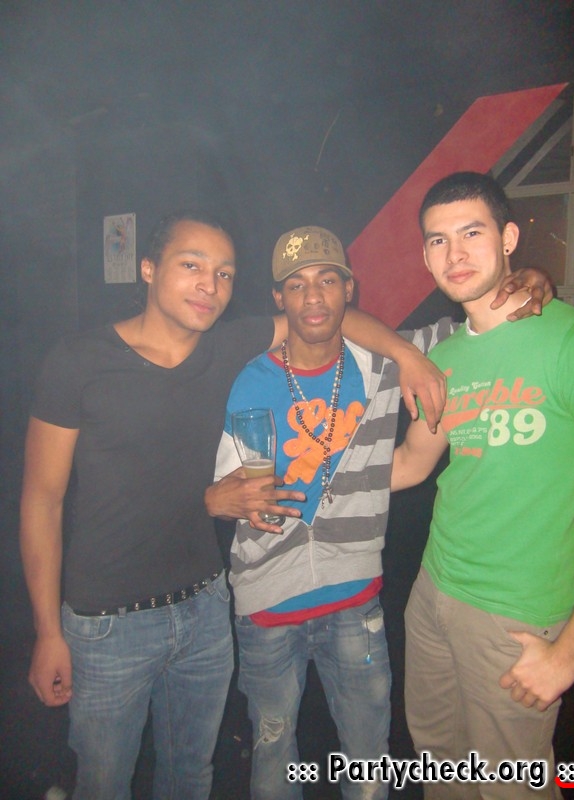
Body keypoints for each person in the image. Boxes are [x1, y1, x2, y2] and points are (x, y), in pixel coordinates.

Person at [18, 209, 455, 800]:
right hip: (108, 622)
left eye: (224, 273)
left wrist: (407, 353)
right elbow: (42, 502)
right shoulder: (81, 361)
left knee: (191, 776)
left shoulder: (225, 347)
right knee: (104, 783)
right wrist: (48, 630)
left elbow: (327, 315)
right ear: (148, 269)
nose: (210, 284)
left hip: (204, 608)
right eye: (191, 265)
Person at [209, 226, 552, 800]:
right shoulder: (252, 379)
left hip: (354, 601)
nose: (313, 296)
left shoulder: (383, 364)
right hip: (267, 605)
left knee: (369, 761)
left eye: (327, 280)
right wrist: (224, 499)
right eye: (296, 284)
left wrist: (530, 280)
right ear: (278, 298)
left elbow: (480, 323)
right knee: (273, 757)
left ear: (349, 289)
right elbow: (229, 489)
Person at [391, 172, 574, 799]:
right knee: (440, 767)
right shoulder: (445, 359)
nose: (454, 254)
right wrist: (308, 478)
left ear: (508, 238)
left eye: (471, 233)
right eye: (438, 240)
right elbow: (412, 463)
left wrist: (569, 654)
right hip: (433, 593)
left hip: (515, 619)